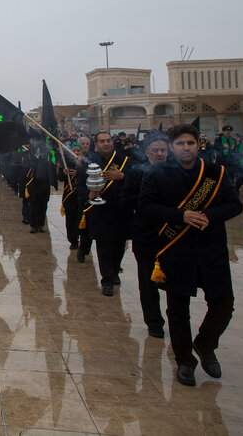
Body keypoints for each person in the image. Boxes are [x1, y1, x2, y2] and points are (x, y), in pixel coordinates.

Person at [140, 124, 242, 386]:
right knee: (177, 309)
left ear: (199, 145)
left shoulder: (215, 173)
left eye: (191, 143)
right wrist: (181, 215)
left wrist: (210, 216)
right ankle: (184, 360)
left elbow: (234, 204)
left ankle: (205, 344)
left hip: (211, 247)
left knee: (223, 304)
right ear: (172, 147)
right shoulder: (157, 174)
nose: (186, 148)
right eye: (180, 144)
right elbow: (147, 207)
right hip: (176, 248)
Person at [122, 131, 170, 338]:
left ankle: (176, 317)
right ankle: (154, 322)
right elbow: (125, 199)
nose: (159, 154)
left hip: (171, 234)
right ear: (147, 152)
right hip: (146, 233)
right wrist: (146, 201)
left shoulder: (176, 173)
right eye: (155, 150)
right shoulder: (136, 173)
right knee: (147, 281)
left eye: (163, 150)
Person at [77, 130, 133, 296]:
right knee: (104, 247)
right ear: (97, 145)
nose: (106, 143)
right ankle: (107, 280)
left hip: (122, 210)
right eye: (102, 141)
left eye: (108, 140)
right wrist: (89, 194)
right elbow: (80, 185)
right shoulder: (90, 162)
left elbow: (137, 180)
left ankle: (114, 272)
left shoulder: (125, 161)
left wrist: (122, 176)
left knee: (118, 246)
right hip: (100, 211)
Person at [58, 143, 84, 251]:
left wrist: (79, 172)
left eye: (78, 150)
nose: (76, 152)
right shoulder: (66, 162)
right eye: (74, 150)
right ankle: (73, 241)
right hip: (69, 196)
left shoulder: (85, 163)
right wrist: (64, 173)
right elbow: (59, 178)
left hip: (82, 196)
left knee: (81, 220)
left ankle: (82, 241)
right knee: (70, 221)